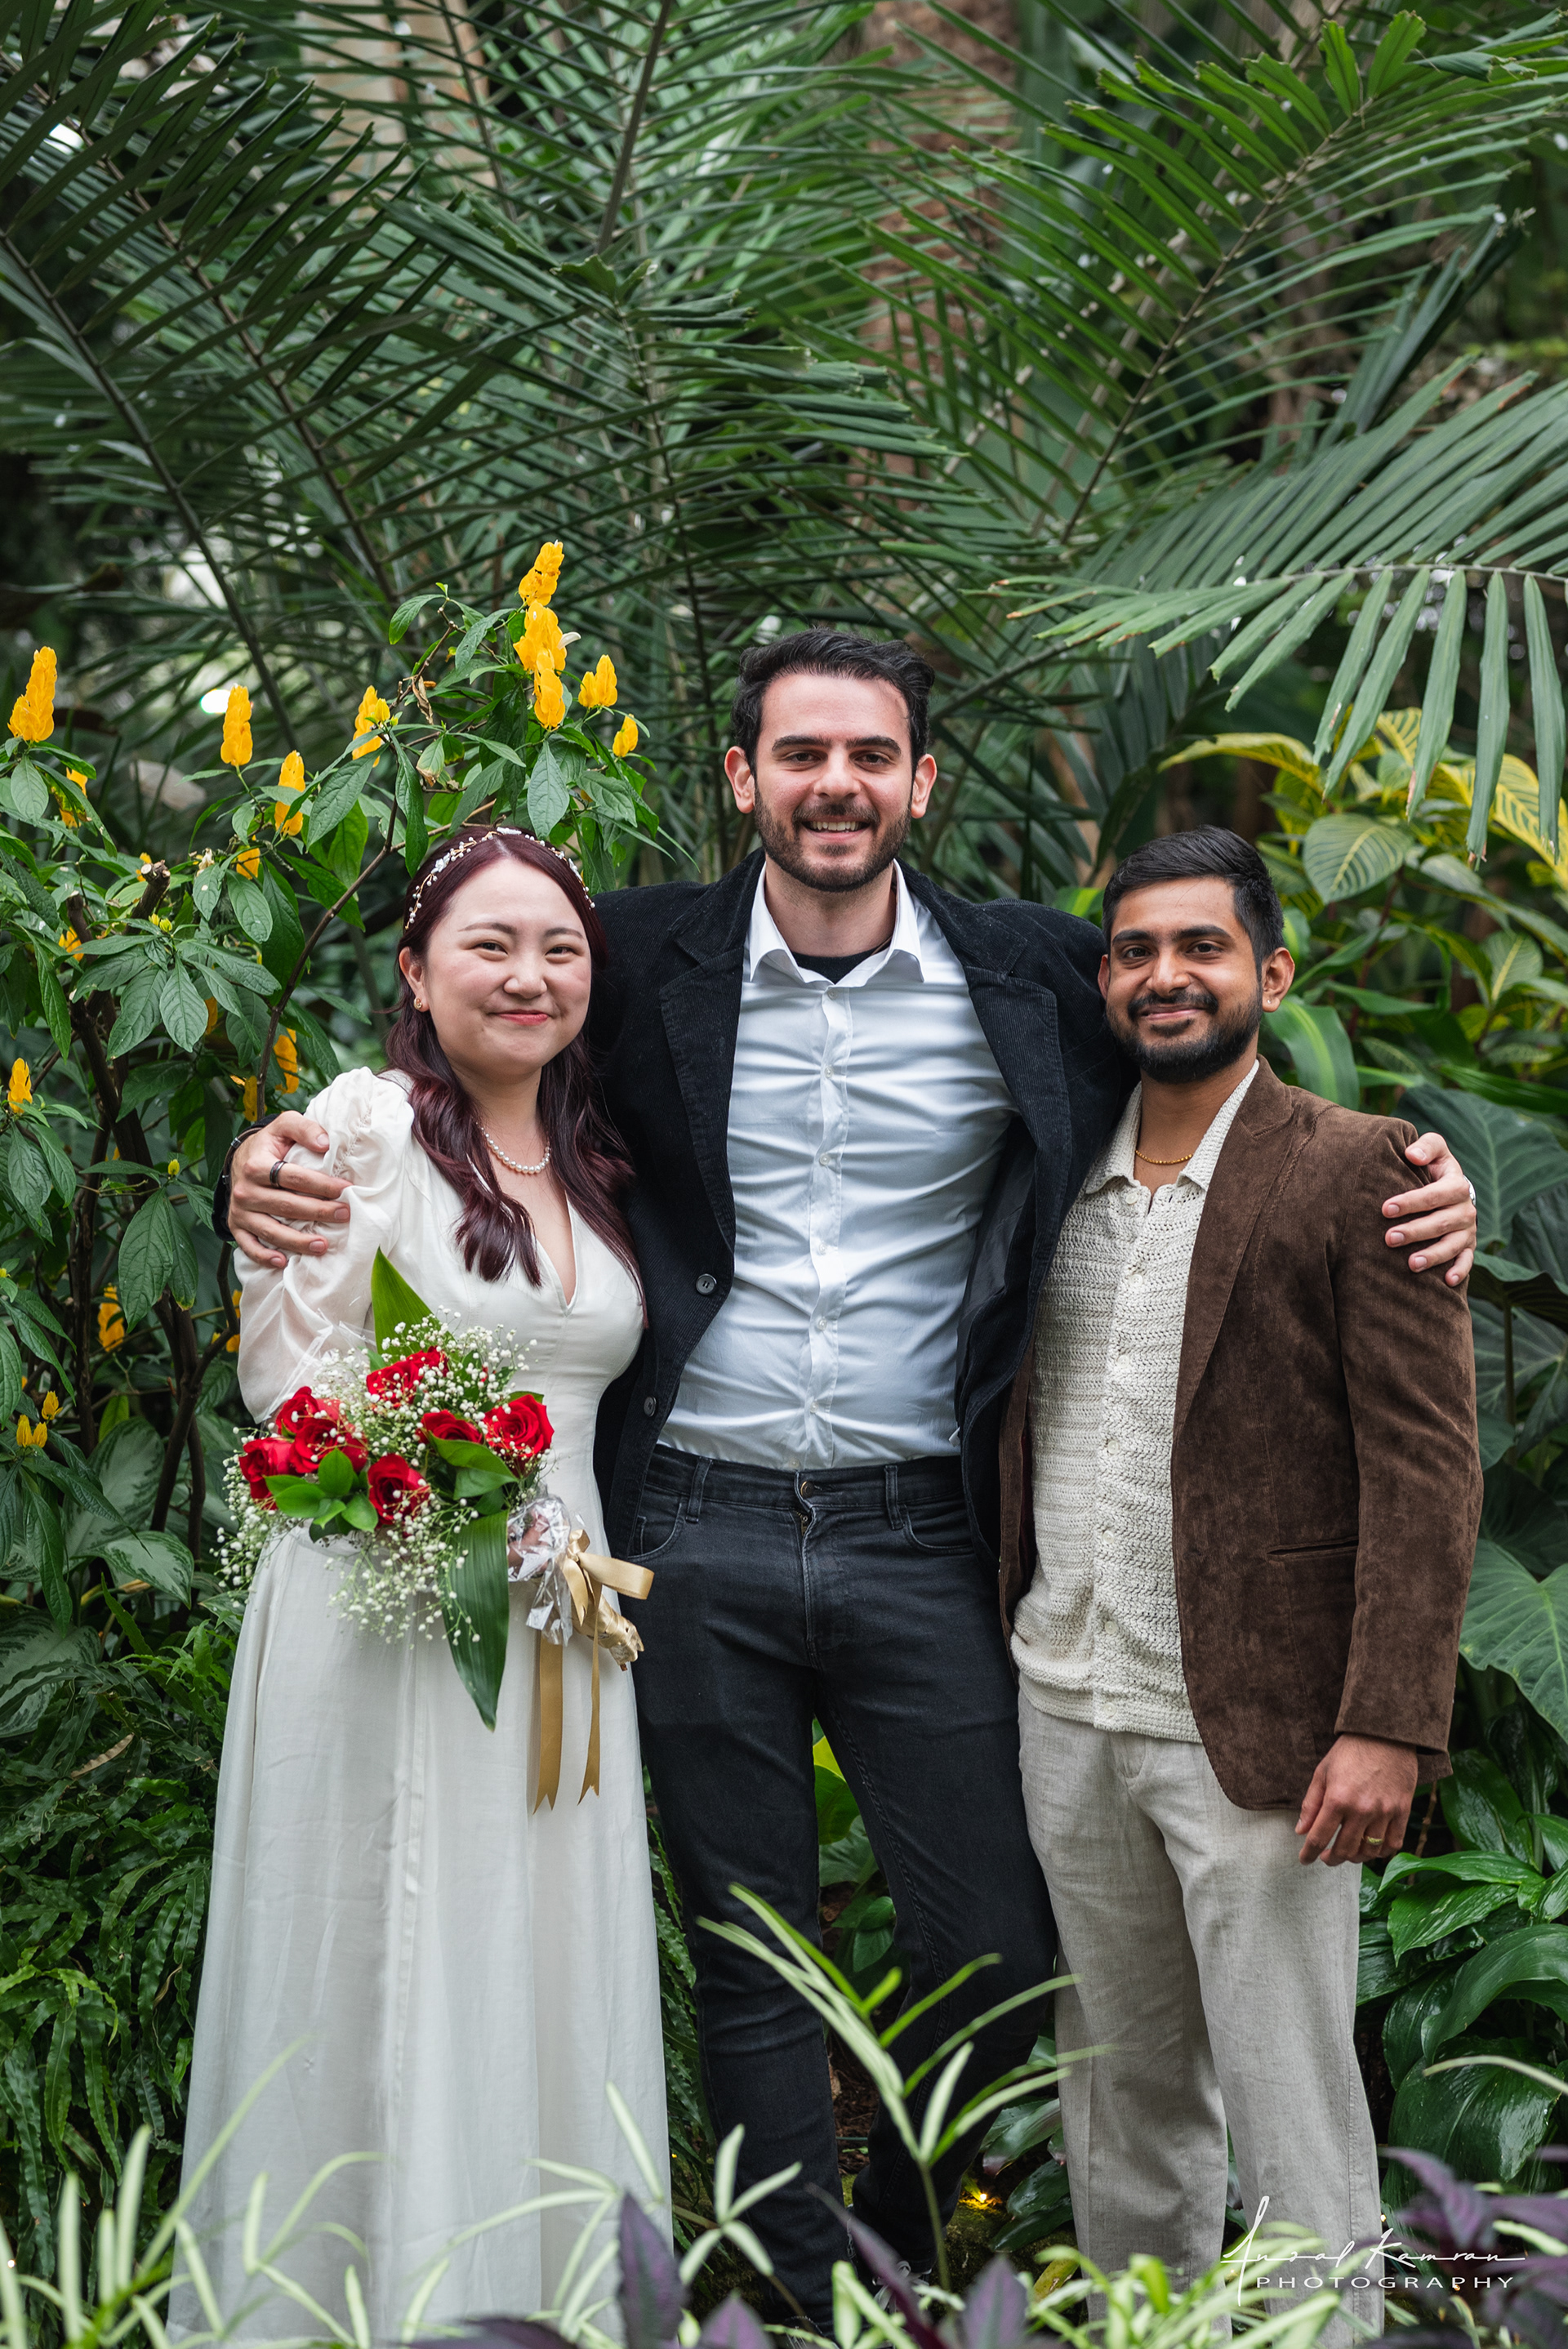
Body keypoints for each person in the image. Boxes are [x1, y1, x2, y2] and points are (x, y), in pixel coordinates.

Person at [220, 634, 1477, 2328]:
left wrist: (1415, 1176)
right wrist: (267, 1163)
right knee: (750, 1959)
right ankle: (802, 2309)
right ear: (744, 776)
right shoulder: (631, 958)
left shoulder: (1037, 973)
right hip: (690, 1529)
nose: (836, 786)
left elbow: (1209, 1049)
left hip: (919, 1530)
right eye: (802, 754)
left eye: (871, 756)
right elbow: (460, 1070)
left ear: (919, 782)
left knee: (997, 1952)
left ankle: (896, 2247)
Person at [180, 831, 667, 2342]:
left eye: (560, 948)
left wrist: (543, 1544)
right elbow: (294, 1389)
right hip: (389, 1603)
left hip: (566, 1619)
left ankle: (534, 2297)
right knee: (388, 1930)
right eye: (489, 945)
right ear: (414, 970)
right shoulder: (364, 1128)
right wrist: (469, 1504)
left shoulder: (596, 1152)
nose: (530, 977)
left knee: (539, 1949)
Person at [1000, 827, 1482, 2332]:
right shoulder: (1050, 1166)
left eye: (1201, 947)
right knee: (1118, 2097)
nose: (1166, 976)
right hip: (1063, 1706)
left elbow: (1426, 1469)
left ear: (1269, 973)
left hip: (1261, 1732)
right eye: (1136, 950)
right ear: (1104, 980)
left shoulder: (1358, 1169)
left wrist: (1387, 1722)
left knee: (1292, 2110)